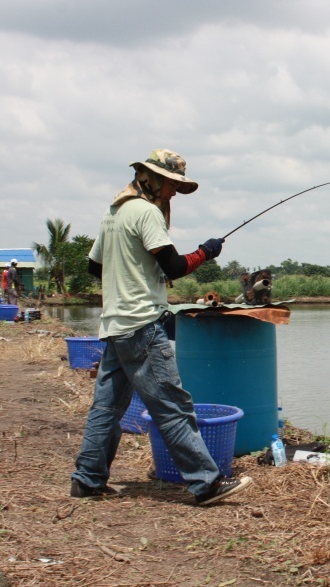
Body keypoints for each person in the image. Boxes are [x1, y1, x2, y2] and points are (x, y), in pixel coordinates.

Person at [71, 149, 252, 506]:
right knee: (173, 406)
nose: (172, 193)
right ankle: (205, 483)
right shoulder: (147, 213)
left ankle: (87, 481)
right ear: (151, 178)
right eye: (171, 185)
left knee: (106, 409)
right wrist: (206, 252)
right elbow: (172, 266)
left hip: (115, 325)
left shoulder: (114, 212)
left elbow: (96, 267)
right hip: (141, 326)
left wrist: (134, 273)